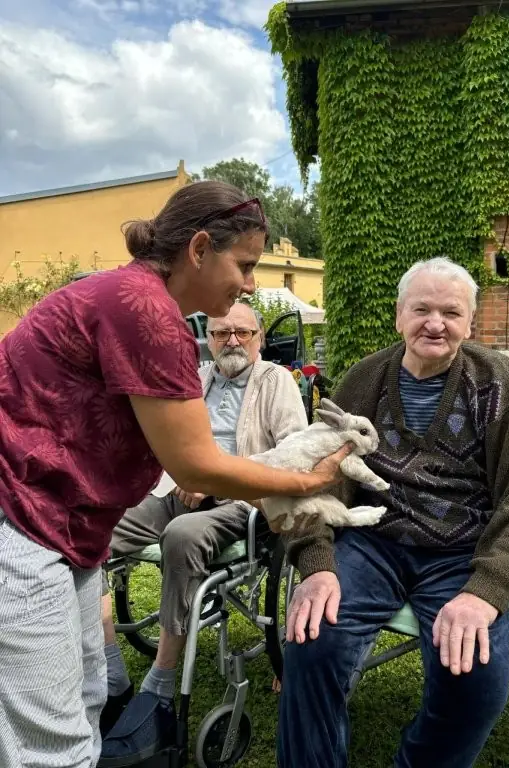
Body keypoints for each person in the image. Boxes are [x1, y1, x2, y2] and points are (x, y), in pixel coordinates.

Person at [0, 180, 350, 768]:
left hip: (62, 525)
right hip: (21, 522)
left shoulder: (134, 296)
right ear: (200, 248)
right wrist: (311, 484)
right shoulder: (145, 311)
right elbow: (191, 463)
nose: (251, 284)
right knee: (47, 746)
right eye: (245, 264)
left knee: (82, 702)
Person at [277, 256, 509, 768]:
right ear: (398, 316)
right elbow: (318, 479)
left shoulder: (498, 385)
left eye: (451, 312)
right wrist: (316, 564)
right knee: (312, 641)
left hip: (463, 552)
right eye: (422, 309)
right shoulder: (364, 380)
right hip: (373, 542)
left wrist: (485, 592)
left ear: (470, 323)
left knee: (474, 676)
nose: (435, 324)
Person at [98, 302, 308, 760]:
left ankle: (161, 682)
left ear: (259, 338)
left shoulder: (277, 381)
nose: (231, 341)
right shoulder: (196, 379)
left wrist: (213, 478)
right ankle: (111, 670)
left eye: (242, 332)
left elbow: (294, 453)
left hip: (242, 501)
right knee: (92, 527)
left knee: (182, 535)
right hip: (176, 489)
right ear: (207, 339)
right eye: (220, 333)